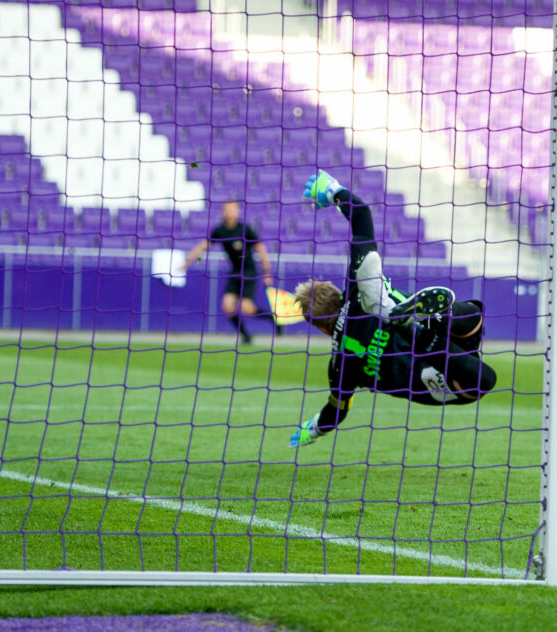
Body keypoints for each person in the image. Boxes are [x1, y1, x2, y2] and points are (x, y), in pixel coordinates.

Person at [289, 170, 496, 448]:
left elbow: (337, 411)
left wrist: (314, 429)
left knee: (484, 380)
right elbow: (361, 214)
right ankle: (425, 317)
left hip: (441, 376)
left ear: (321, 328)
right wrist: (333, 191)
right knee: (473, 313)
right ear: (337, 294)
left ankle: (414, 328)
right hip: (450, 337)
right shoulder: (356, 291)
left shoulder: (340, 365)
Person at [183, 201, 280, 344]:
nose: (230, 212)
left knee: (246, 308)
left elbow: (261, 249)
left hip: (249, 271)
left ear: (237, 212)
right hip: (234, 272)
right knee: (227, 306)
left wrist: (267, 272)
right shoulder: (220, 231)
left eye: (233, 209)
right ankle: (245, 336)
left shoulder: (245, 229)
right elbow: (203, 247)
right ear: (223, 212)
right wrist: (190, 261)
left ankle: (273, 319)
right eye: (227, 209)